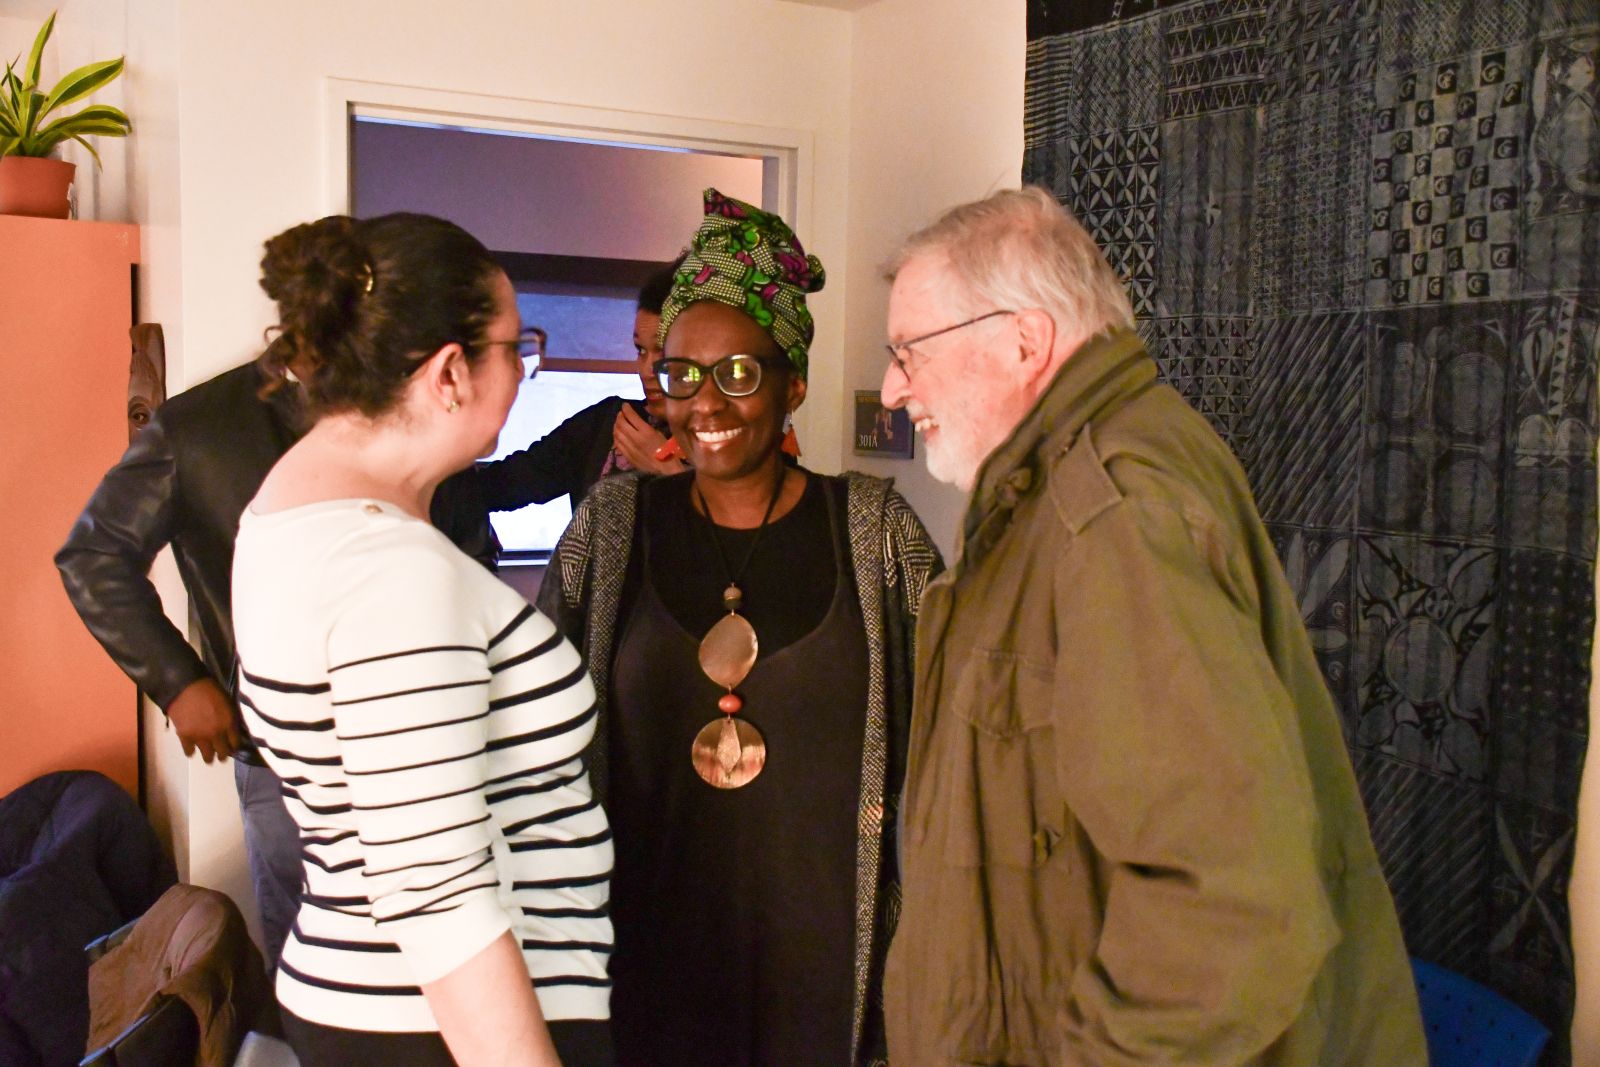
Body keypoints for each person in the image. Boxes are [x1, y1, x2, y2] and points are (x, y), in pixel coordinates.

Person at [876, 187, 1427, 1066]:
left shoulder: (1112, 512)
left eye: (910, 351)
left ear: (1024, 338)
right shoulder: (1055, 493)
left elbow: (1232, 904)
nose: (894, 389)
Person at [538, 188, 941, 1067]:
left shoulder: (874, 533)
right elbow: (535, 743)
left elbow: (957, 736)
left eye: (739, 373)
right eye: (681, 373)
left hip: (827, 969)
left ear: (793, 381)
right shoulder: (613, 530)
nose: (704, 401)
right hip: (647, 960)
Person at [230, 212, 612, 1067]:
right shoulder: (390, 569)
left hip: (378, 999)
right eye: (518, 348)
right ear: (448, 372)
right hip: (440, 1029)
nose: (521, 372)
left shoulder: (287, 513)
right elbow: (435, 891)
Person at [55, 318, 498, 979]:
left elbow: (467, 544)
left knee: (437, 964)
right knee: (315, 965)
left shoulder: (408, 405)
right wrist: (178, 681)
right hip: (283, 754)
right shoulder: (197, 424)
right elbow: (92, 553)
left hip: (422, 745)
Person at [468, 260, 687, 518]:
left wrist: (673, 477)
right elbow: (504, 484)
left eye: (663, 350)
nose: (647, 369)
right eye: (640, 350)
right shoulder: (605, 424)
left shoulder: (725, 436)